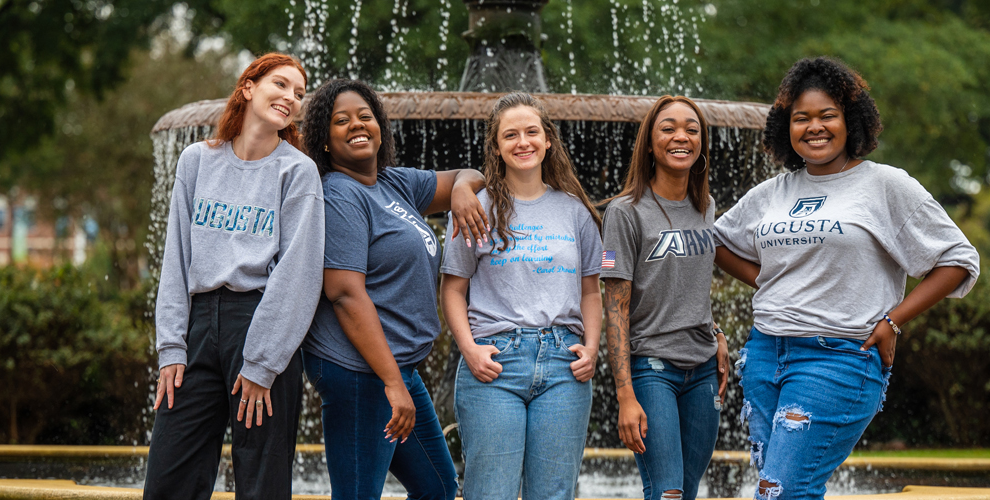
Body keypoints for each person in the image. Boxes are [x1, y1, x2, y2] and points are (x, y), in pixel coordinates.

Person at [711, 57, 980, 500]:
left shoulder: (885, 186)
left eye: (826, 115)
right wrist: (769, 281)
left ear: (849, 120)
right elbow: (716, 242)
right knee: (778, 487)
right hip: (765, 355)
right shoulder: (775, 191)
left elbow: (957, 259)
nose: (814, 127)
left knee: (781, 490)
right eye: (801, 118)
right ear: (786, 127)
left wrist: (893, 320)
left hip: (838, 358)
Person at [298, 79, 488, 500]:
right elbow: (344, 294)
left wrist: (460, 190)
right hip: (360, 372)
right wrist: (393, 385)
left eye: (365, 116)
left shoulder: (392, 184)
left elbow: (470, 175)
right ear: (324, 141)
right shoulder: (340, 195)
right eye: (341, 121)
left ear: (380, 125)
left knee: (438, 487)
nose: (356, 126)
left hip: (393, 370)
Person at [147, 53, 321, 500]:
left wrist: (262, 363)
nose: (291, 98)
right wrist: (171, 347)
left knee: (262, 481)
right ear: (248, 87)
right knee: (170, 476)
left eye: (299, 93)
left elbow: (298, 274)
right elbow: (176, 257)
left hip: (261, 324)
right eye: (280, 85)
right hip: (198, 326)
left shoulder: (297, 171)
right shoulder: (196, 161)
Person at [439, 92, 604, 500]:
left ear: (548, 140)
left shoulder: (575, 211)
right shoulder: (476, 208)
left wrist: (593, 347)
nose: (523, 142)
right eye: (510, 135)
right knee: (489, 492)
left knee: (553, 494)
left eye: (532, 132)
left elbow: (590, 290)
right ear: (497, 147)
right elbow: (453, 288)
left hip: (565, 364)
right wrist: (469, 349)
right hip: (494, 361)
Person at [601, 96, 729, 500]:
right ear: (650, 142)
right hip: (652, 369)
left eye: (692, 129)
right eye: (668, 128)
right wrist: (624, 395)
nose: (681, 136)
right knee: (667, 493)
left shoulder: (705, 207)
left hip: (704, 370)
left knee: (687, 492)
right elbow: (616, 308)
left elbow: (689, 286)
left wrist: (717, 333)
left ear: (702, 143)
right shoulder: (626, 212)